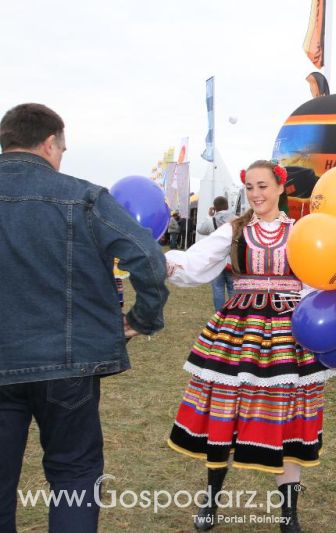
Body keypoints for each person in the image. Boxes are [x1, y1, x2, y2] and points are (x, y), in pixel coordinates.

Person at [0, 103, 168, 531]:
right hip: (69, 365)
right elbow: (148, 256)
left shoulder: (86, 198)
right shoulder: (83, 197)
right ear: (50, 143)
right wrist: (142, 319)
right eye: (63, 148)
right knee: (74, 475)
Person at [164, 160, 336, 532]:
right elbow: (197, 262)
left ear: (280, 188)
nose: (256, 194)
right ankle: (211, 501)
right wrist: (159, 263)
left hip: (289, 336)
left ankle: (288, 514)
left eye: (263, 186)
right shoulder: (235, 230)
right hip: (239, 333)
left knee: (288, 418)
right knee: (224, 415)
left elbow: (318, 279)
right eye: (251, 188)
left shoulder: (302, 231)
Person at [197, 196, 236, 310]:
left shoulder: (211, 221)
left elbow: (200, 229)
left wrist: (209, 215)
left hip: (216, 261)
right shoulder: (237, 220)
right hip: (232, 261)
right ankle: (233, 315)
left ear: (214, 208)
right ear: (227, 206)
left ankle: (219, 316)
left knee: (218, 289)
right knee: (233, 289)